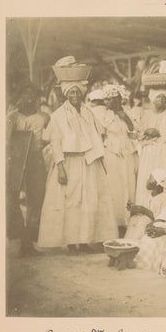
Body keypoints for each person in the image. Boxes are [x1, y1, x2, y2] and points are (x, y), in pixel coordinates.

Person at [37, 78, 118, 254]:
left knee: (88, 202)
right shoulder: (58, 115)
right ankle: (72, 242)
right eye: (71, 92)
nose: (75, 95)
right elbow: (56, 141)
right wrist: (60, 167)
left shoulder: (88, 112)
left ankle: (84, 240)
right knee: (71, 203)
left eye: (77, 92)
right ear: (66, 94)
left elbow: (98, 133)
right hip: (68, 162)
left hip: (88, 162)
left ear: (82, 93)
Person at [6, 84, 49, 257]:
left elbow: (51, 138)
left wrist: (42, 145)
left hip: (36, 160)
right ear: (20, 97)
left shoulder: (44, 117)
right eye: (26, 95)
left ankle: (28, 242)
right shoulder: (12, 117)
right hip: (15, 162)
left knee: (36, 200)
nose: (29, 99)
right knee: (11, 197)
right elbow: (5, 142)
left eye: (33, 96)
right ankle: (18, 234)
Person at [97, 84, 136, 236]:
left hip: (126, 150)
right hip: (111, 151)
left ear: (119, 99)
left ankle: (127, 221)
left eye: (111, 99)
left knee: (128, 182)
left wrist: (124, 117)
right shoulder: (103, 115)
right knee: (114, 186)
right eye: (106, 100)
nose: (107, 102)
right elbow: (100, 134)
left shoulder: (128, 112)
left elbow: (132, 129)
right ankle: (114, 224)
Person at [125, 169, 166, 242]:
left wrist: (144, 210)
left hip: (152, 228)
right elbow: (137, 214)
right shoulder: (145, 196)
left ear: (158, 183)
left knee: (143, 222)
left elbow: (164, 219)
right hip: (138, 227)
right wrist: (133, 209)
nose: (147, 180)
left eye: (150, 179)